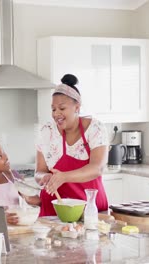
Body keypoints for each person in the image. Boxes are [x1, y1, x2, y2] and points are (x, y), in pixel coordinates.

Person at [33, 74, 109, 216]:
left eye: (62, 108)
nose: (56, 114)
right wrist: (44, 177)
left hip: (90, 211)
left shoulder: (95, 129)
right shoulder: (46, 132)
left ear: (77, 107)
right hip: (54, 212)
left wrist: (64, 177)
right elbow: (39, 172)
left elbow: (97, 168)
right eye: (53, 109)